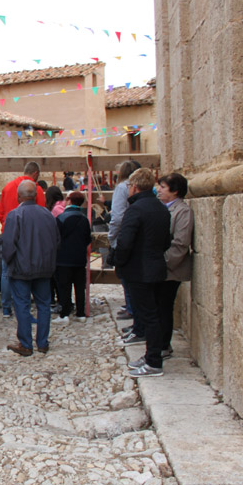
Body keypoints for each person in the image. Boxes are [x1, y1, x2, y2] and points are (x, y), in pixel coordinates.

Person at [117, 168, 172, 378]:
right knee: (154, 314)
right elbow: (166, 241)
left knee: (148, 316)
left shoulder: (136, 210)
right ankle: (152, 355)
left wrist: (118, 261)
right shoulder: (161, 209)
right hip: (156, 266)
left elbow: (125, 242)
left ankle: (153, 362)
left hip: (139, 270)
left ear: (134, 187)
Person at [3, 180, 60, 356]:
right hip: (43, 267)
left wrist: (9, 262)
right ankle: (42, 342)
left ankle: (26, 343)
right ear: (35, 195)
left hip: (21, 268)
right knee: (43, 305)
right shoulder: (47, 215)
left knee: (22, 304)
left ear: (18, 196)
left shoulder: (15, 215)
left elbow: (8, 245)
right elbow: (56, 241)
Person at [153, 172, 193, 359]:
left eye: (163, 187)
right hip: (160, 266)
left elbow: (180, 244)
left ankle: (163, 345)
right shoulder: (162, 208)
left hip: (170, 269)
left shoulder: (183, 212)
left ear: (175, 191)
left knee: (164, 306)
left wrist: (162, 262)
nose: (158, 190)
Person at [0, 162, 45, 318]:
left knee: (6, 272)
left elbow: (1, 212)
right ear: (35, 173)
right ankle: (25, 309)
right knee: (29, 272)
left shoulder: (8, 187)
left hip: (8, 232)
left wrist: (6, 226)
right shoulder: (36, 189)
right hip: (29, 237)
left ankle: (6, 308)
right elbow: (41, 214)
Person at [108, 160, 141, 324]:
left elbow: (117, 216)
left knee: (125, 275)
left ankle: (131, 308)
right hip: (137, 234)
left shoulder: (122, 187)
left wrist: (111, 237)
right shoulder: (141, 187)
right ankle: (132, 306)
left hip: (124, 234)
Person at [52, 192, 92, 324]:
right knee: (80, 287)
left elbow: (55, 238)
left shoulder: (61, 218)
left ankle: (65, 314)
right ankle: (80, 313)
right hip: (80, 259)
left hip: (63, 258)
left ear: (69, 201)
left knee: (64, 287)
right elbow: (88, 239)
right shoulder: (84, 219)